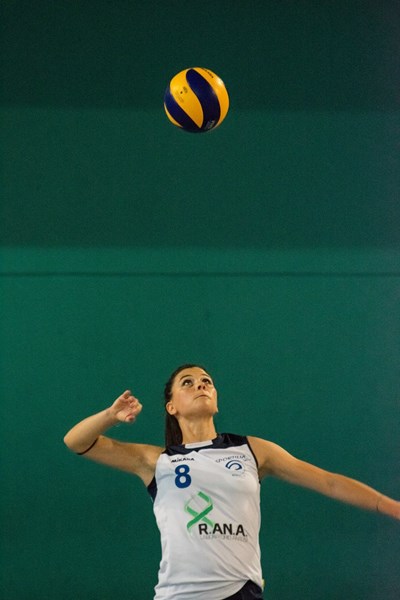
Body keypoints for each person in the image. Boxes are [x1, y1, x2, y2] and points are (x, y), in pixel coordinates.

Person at [64, 364, 400, 600]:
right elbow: (76, 442)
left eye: (207, 381)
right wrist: (110, 416)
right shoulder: (157, 461)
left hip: (239, 592)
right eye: (187, 382)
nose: (200, 385)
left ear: (216, 398)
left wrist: (392, 507)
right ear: (171, 406)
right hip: (177, 594)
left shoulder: (252, 450)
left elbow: (329, 482)